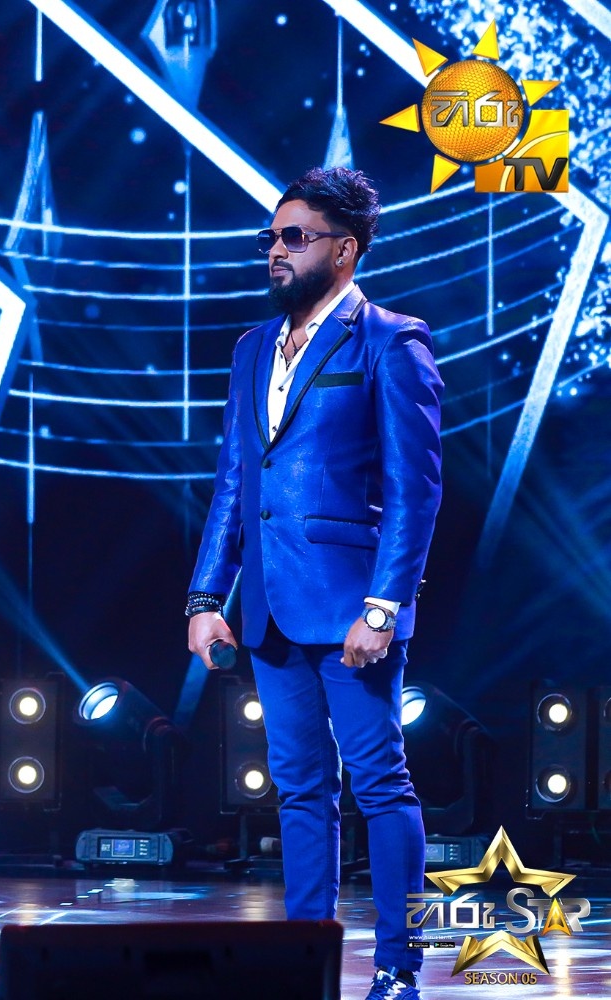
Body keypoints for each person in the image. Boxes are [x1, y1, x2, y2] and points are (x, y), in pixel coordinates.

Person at [186, 167, 443, 1000]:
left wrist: (385, 605)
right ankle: (306, 966)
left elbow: (415, 489)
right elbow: (235, 481)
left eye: (293, 237)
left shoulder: (390, 340)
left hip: (351, 608)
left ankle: (398, 968)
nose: (276, 250)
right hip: (267, 608)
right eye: (271, 236)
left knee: (380, 783)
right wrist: (206, 599)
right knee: (299, 789)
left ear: (344, 249)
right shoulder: (251, 347)